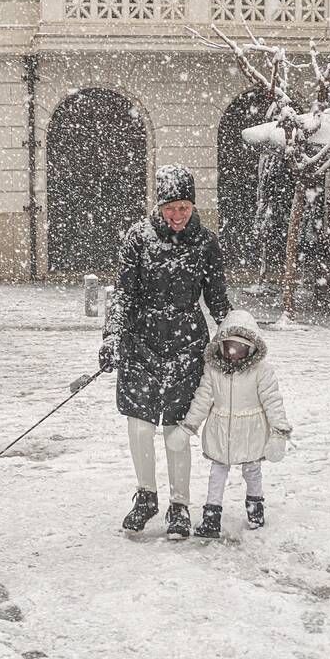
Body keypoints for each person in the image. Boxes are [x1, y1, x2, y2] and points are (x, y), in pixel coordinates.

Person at [99, 165, 231, 538]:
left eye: (184, 208)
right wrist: (112, 337)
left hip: (187, 347)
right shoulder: (138, 240)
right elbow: (123, 293)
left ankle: (179, 506)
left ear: (193, 206)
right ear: (159, 207)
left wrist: (236, 335)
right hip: (141, 345)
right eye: (171, 208)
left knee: (176, 431)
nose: (177, 216)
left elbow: (218, 299)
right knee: (140, 427)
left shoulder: (206, 242)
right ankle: (146, 496)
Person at [167, 309, 291, 538]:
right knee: (217, 473)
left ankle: (255, 511)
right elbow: (202, 400)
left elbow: (273, 402)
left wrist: (279, 432)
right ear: (221, 346)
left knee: (252, 470)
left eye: (240, 348)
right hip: (220, 432)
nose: (234, 353)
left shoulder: (261, 371)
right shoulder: (213, 370)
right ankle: (211, 518)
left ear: (251, 347)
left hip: (251, 432)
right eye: (229, 347)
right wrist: (188, 426)